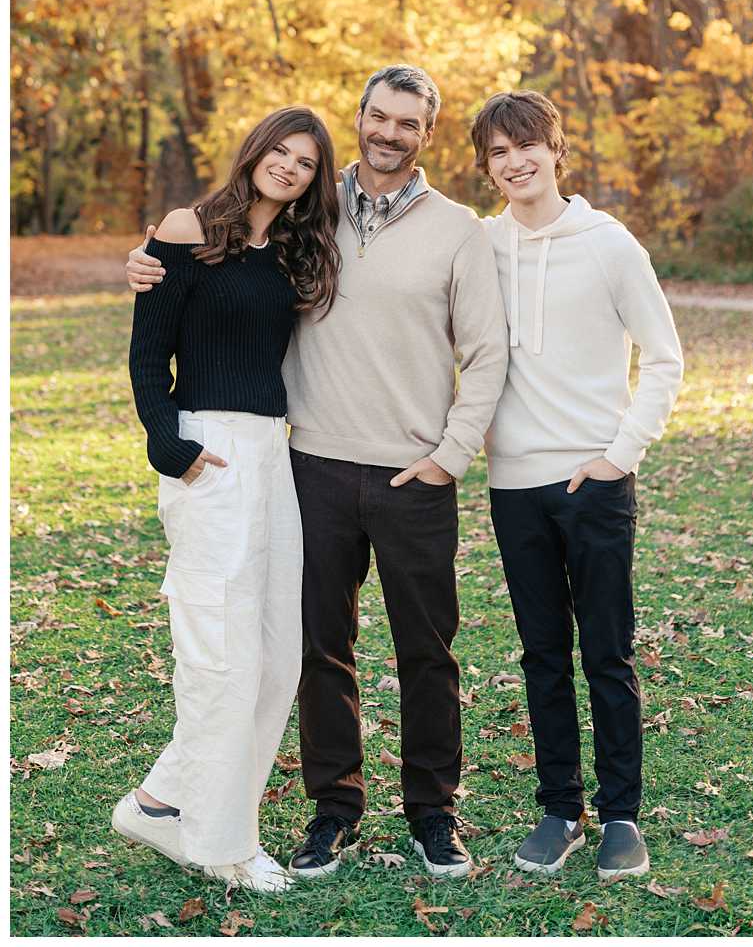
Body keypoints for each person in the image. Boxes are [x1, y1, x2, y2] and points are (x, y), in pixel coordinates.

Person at [125, 65, 509, 881]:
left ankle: (433, 815)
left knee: (428, 650)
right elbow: (216, 254)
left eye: (408, 123)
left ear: (426, 135)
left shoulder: (458, 229)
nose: (390, 132)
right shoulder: (312, 210)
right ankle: (334, 810)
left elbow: (486, 353)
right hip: (310, 465)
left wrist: (451, 454)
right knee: (317, 651)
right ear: (361, 118)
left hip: (414, 473)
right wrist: (151, 259)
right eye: (378, 116)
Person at [119, 105, 341, 892]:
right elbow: (148, 355)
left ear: (317, 178)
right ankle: (221, 843)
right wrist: (171, 448)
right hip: (206, 453)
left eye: (306, 161)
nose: (288, 166)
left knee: (276, 656)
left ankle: (158, 802)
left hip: (272, 454)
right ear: (252, 153)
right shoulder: (185, 230)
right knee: (221, 654)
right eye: (278, 151)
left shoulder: (295, 250)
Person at [466, 90, 683, 881]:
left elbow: (664, 356)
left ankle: (621, 815)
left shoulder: (608, 243)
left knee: (607, 655)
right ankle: (559, 809)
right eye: (496, 151)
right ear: (486, 166)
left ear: (558, 150)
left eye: (527, 145)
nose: (514, 162)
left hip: (593, 483)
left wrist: (620, 455)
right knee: (542, 655)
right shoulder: (479, 244)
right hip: (512, 486)